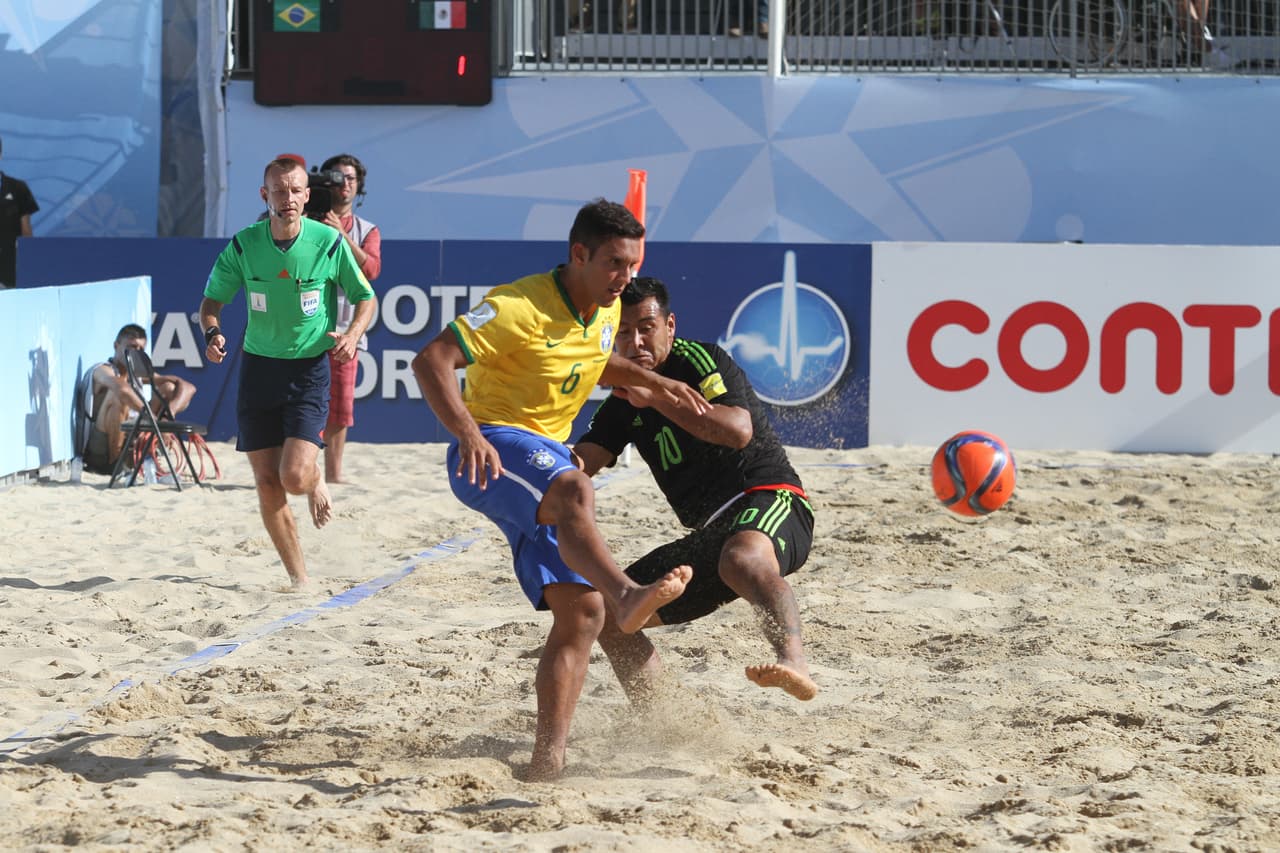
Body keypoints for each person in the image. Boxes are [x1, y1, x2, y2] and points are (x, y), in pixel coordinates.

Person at [411, 198, 711, 781]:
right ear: (579, 254)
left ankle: (546, 763)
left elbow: (594, 362)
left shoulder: (604, 307)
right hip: (493, 449)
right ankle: (629, 594)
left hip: (541, 460)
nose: (625, 279)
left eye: (634, 265)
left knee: (582, 613)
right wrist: (469, 434)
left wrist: (655, 384)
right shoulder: (515, 305)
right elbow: (432, 361)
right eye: (616, 264)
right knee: (577, 489)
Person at [575, 276, 819, 706]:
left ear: (670, 325)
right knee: (609, 614)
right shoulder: (619, 403)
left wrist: (656, 395)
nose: (636, 342)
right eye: (624, 332)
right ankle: (667, 718)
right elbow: (580, 466)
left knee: (741, 557)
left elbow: (737, 431)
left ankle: (794, 662)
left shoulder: (699, 360)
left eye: (646, 328)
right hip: (710, 534)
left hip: (770, 498)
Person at [199, 156, 377, 590]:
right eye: (279, 191)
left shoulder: (328, 243)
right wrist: (214, 333)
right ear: (265, 196)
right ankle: (300, 579)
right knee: (266, 482)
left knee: (293, 476)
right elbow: (210, 304)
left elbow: (365, 297)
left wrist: (353, 332)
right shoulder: (244, 245)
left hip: (308, 370)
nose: (288, 199)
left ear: (307, 195)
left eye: (296, 191)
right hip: (258, 369)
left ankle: (316, 479)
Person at [316, 153, 381, 484]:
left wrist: (341, 235)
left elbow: (371, 269)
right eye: (338, 177)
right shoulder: (307, 219)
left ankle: (333, 475)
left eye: (351, 179)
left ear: (359, 187)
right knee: (301, 402)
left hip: (345, 328)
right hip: (306, 324)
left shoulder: (366, 230)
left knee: (340, 406)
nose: (345, 185)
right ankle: (302, 469)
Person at [83, 323, 197, 475]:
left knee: (168, 389)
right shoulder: (102, 370)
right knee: (120, 396)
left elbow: (188, 387)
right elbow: (122, 389)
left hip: (132, 441)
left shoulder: (137, 375)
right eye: (131, 347)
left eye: (140, 349)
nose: (135, 353)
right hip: (100, 451)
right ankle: (115, 465)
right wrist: (153, 418)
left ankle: (142, 459)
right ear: (116, 345)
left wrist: (168, 415)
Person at [0, 135, 39, 289]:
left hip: (9, 273)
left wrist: (29, 265)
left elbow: (26, 230)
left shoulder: (18, 188)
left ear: (1, 154)